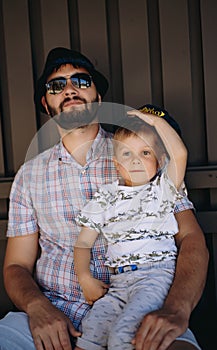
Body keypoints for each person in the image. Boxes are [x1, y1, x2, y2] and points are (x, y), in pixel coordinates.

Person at [0, 47, 208, 350]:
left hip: (143, 303)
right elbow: (16, 266)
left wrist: (177, 309)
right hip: (56, 311)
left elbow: (192, 239)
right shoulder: (29, 175)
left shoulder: (138, 153)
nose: (70, 89)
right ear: (46, 103)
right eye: (56, 85)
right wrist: (38, 309)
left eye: (81, 81)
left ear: (99, 98)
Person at [73, 111, 195, 349]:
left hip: (155, 277)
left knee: (124, 335)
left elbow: (180, 154)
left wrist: (155, 122)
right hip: (118, 281)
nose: (136, 160)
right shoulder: (106, 196)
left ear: (159, 161)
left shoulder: (163, 190)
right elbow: (83, 243)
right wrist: (84, 277)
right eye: (127, 154)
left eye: (145, 153)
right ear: (117, 164)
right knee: (91, 332)